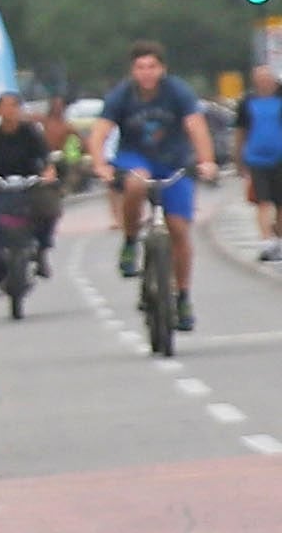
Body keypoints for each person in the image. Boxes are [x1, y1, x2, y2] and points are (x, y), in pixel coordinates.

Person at [92, 40, 217, 332]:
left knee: (179, 230)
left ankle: (183, 296)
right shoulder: (122, 96)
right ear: (132, 71)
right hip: (135, 157)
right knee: (135, 182)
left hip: (174, 161)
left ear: (162, 69)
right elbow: (100, 133)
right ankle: (130, 241)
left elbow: (196, 127)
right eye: (140, 67)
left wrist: (206, 161)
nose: (146, 73)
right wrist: (100, 164)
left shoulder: (177, 92)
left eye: (152, 67)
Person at [0, 90, 57, 275]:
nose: (9, 111)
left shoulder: (31, 132)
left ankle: (42, 251)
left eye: (13, 106)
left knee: (49, 207)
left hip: (29, 185)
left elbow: (46, 159)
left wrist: (47, 174)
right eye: (4, 106)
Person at [237, 65, 282, 261]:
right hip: (256, 159)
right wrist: (238, 158)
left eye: (267, 78)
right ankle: (266, 241)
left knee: (280, 203)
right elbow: (240, 132)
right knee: (262, 201)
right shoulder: (247, 102)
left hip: (280, 157)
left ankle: (278, 238)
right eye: (260, 78)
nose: (264, 81)